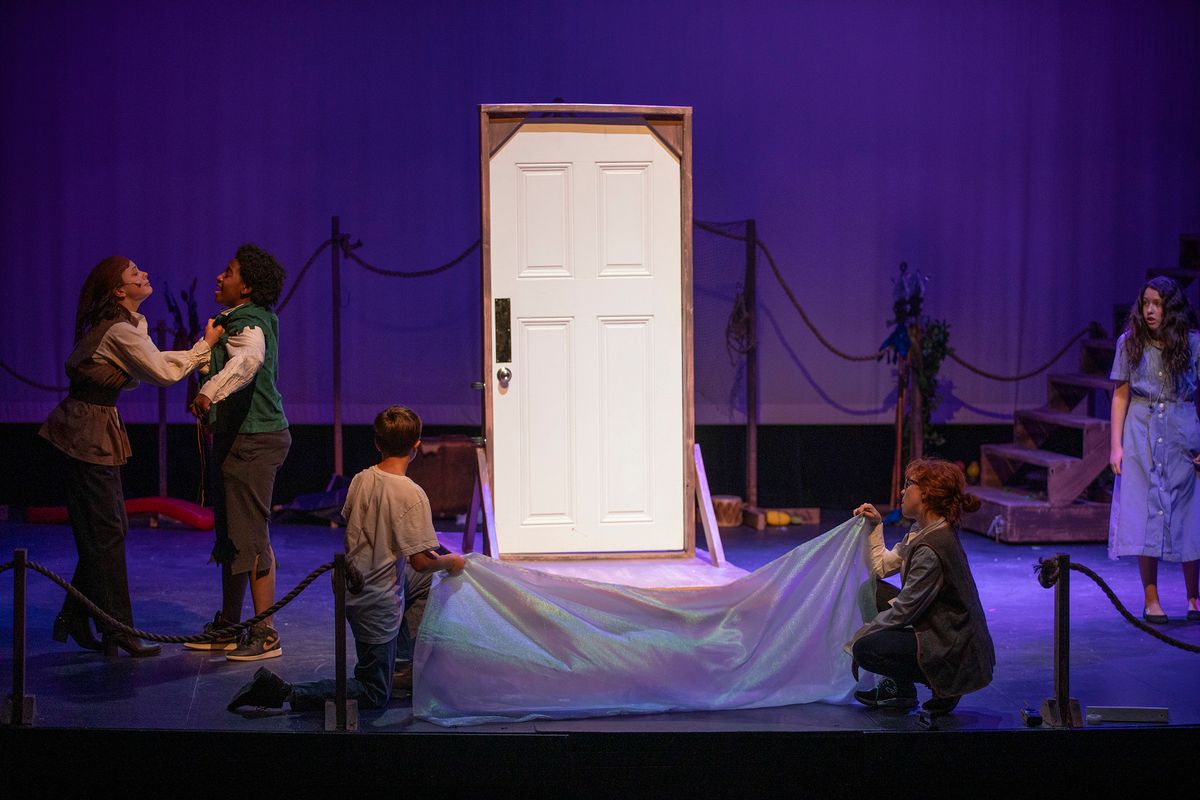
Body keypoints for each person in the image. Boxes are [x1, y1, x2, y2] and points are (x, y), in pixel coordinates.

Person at [226, 405, 466, 713]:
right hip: (377, 601)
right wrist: (452, 562)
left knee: (423, 583)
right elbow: (421, 562)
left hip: (352, 586)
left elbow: (371, 531)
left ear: (377, 443)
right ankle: (286, 693)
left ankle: (401, 665)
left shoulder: (360, 479)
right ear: (417, 445)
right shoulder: (412, 494)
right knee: (373, 692)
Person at [41, 256, 222, 657]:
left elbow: (148, 365)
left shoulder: (128, 326)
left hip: (95, 426)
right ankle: (118, 630)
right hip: (85, 432)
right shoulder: (120, 330)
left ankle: (76, 616)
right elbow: (162, 373)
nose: (144, 274)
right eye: (134, 272)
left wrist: (192, 354)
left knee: (108, 531)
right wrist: (204, 347)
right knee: (106, 532)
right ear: (119, 290)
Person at [184, 244, 291, 661]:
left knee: (253, 537)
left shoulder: (249, 322)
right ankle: (230, 625)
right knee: (233, 537)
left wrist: (209, 392)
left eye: (228, 272)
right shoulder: (233, 320)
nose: (219, 277)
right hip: (238, 438)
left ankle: (265, 633)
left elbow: (247, 362)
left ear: (245, 287)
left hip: (256, 439)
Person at [846, 458, 995, 715]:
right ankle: (901, 690)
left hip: (953, 646)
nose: (902, 491)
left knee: (865, 649)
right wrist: (875, 525)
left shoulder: (931, 546)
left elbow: (904, 611)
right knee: (871, 591)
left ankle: (945, 684)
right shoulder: (924, 530)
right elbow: (881, 567)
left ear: (926, 493)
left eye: (909, 484)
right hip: (942, 629)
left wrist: (858, 638)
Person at [1108, 276, 1200, 624]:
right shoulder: (1130, 342)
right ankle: (1151, 598)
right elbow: (1120, 395)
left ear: (1171, 308)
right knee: (1144, 512)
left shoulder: (1193, 344)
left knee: (1190, 512)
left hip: (1181, 431)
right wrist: (1116, 446)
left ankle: (1193, 596)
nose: (1149, 310)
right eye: (1146, 303)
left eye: (1157, 304)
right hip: (1141, 430)